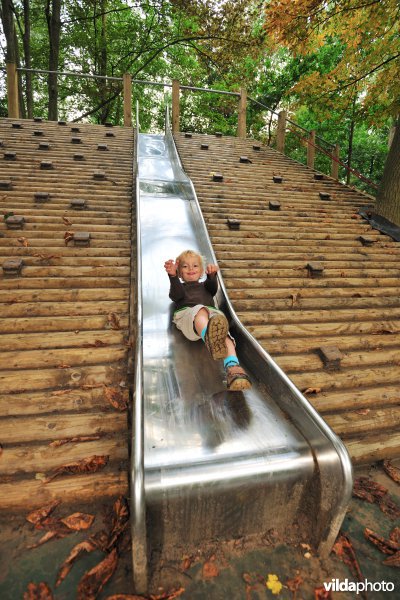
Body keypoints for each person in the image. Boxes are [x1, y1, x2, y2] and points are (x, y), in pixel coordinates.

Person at [164, 249, 251, 391]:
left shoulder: (205, 286)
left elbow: (212, 287)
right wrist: (172, 277)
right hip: (188, 316)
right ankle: (210, 337)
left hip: (211, 317)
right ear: (179, 272)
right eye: (185, 266)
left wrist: (212, 276)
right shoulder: (180, 288)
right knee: (200, 310)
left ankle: (233, 369)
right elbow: (176, 294)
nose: (191, 269)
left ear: (202, 270)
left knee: (226, 338)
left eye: (195, 266)